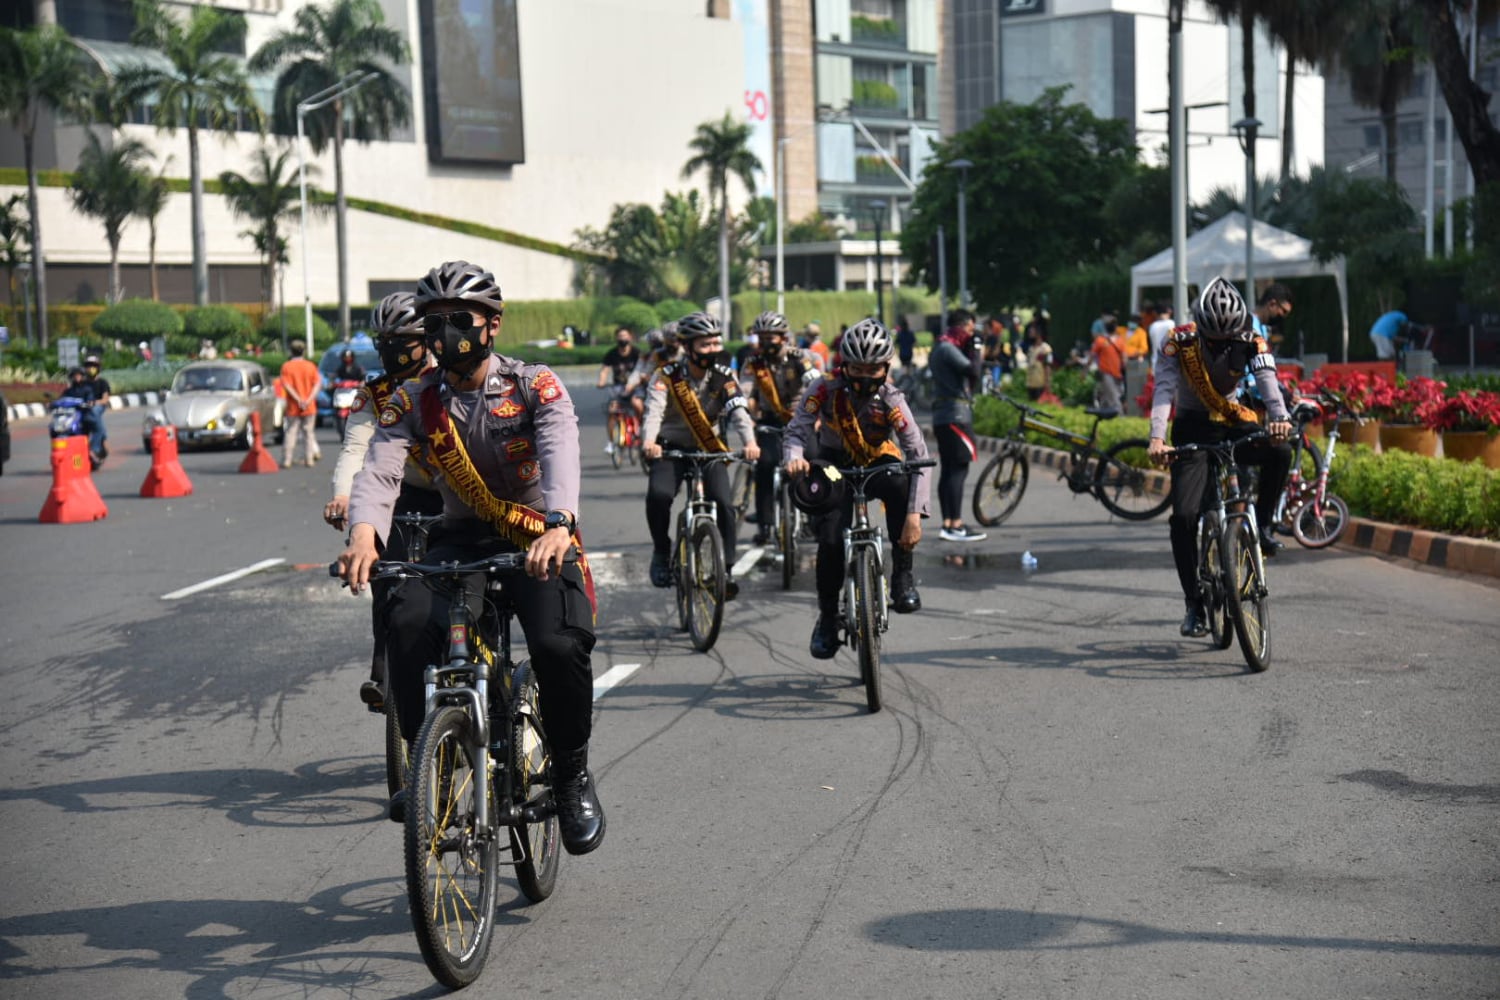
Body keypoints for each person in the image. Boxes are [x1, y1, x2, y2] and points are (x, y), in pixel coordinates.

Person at [338, 259, 604, 855]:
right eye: (434, 322)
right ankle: (425, 763)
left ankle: (571, 776)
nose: (445, 332)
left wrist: (560, 523)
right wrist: (363, 534)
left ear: (493, 325)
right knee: (405, 619)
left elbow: (561, 447)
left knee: (559, 645)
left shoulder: (534, 384)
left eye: (460, 319)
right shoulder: (413, 398)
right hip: (461, 537)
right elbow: (381, 467)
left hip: (538, 533)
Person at [1146, 276, 1294, 638]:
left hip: (1233, 419)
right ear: (1199, 326)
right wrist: (1156, 437)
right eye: (1211, 338)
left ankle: (1261, 526)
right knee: (1182, 517)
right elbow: (1164, 389)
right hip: (1193, 427)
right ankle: (1194, 603)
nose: (1218, 345)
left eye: (1224, 340)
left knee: (1280, 452)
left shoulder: (1250, 337)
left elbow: (1266, 377)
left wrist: (1279, 418)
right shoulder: (1177, 342)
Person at [783, 318, 932, 659]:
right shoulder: (823, 388)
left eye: (873, 369)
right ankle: (826, 618)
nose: (866, 377)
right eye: (857, 368)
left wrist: (914, 515)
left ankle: (903, 578)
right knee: (831, 540)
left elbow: (918, 453)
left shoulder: (892, 399)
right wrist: (793, 457)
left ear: (886, 366)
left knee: (899, 482)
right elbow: (797, 430)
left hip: (878, 461)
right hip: (836, 467)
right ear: (844, 365)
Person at [324, 292, 444, 711]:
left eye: (403, 341)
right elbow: (355, 449)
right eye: (385, 342)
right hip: (402, 494)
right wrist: (343, 495)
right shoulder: (372, 395)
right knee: (383, 570)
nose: (393, 350)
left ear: (427, 340)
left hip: (460, 493)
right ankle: (385, 671)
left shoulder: (447, 381)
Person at [641, 311, 760, 597]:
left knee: (724, 504)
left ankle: (726, 569)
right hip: (670, 449)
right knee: (659, 495)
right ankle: (661, 550)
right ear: (687, 346)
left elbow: (739, 412)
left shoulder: (724, 376)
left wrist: (750, 442)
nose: (713, 350)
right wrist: (649, 441)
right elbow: (653, 412)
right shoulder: (666, 376)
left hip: (709, 450)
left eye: (716, 343)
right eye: (705, 344)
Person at [739, 310, 820, 545]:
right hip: (769, 423)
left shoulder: (800, 357)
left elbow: (814, 383)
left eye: (770, 337)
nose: (765, 343)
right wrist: (745, 414)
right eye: (761, 338)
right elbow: (744, 391)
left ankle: (816, 518)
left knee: (815, 459)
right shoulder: (753, 364)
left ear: (784, 337)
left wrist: (816, 416)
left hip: (801, 420)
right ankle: (765, 524)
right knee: (764, 465)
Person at [929, 309, 987, 542]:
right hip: (955, 415)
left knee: (950, 469)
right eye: (971, 330)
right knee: (958, 469)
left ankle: (949, 523)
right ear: (962, 327)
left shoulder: (941, 346)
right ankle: (955, 524)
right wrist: (977, 348)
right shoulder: (947, 348)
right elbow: (973, 369)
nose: (972, 335)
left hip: (946, 414)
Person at [279, 339, 322, 467]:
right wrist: (308, 400)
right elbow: (317, 384)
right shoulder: (310, 366)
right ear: (304, 351)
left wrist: (298, 399)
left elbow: (286, 385)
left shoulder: (286, 366)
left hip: (293, 406)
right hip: (309, 406)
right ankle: (309, 459)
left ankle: (287, 460)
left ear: (290, 351)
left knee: (291, 432)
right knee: (308, 433)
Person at [1090, 318, 1127, 412]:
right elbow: (1124, 358)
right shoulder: (1117, 341)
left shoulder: (1101, 340)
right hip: (1106, 373)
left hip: (1116, 374)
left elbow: (1092, 356)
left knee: (1107, 396)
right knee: (1114, 397)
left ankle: (1103, 413)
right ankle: (1120, 416)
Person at [80, 354, 111, 460]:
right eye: (88, 366)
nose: (90, 368)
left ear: (98, 368)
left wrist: (93, 403)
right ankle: (77, 463)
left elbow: (105, 399)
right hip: (82, 408)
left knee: (92, 414)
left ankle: (95, 449)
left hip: (97, 407)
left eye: (93, 366)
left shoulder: (102, 382)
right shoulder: (82, 383)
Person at [1023, 318, 1054, 401]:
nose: (1030, 332)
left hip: (1040, 384)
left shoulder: (1045, 349)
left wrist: (1048, 383)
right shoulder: (1031, 349)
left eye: (1032, 330)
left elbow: (1047, 366)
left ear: (1039, 333)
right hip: (1030, 384)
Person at [1147, 303, 1174, 375]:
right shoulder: (1172, 324)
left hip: (1155, 366)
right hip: (1170, 366)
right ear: (1169, 312)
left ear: (1155, 313)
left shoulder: (1152, 326)